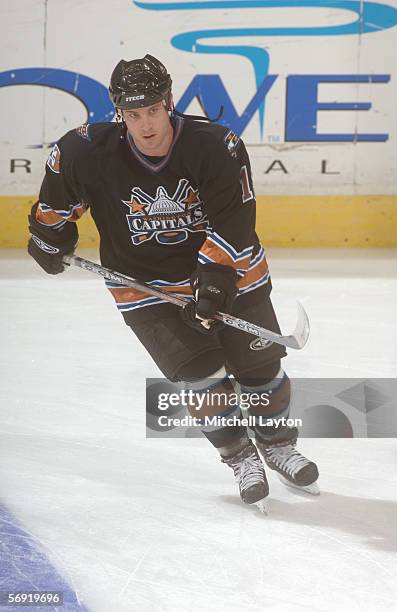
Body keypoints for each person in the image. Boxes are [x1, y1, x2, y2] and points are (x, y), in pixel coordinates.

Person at [28, 54, 319, 513]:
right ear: (119, 112)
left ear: (169, 102)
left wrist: (215, 281)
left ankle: (277, 443)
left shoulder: (214, 145)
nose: (144, 125)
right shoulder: (86, 151)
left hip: (232, 273)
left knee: (259, 370)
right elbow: (56, 202)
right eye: (132, 113)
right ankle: (240, 455)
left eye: (152, 111)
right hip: (144, 287)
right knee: (202, 379)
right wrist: (47, 235)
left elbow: (235, 219)